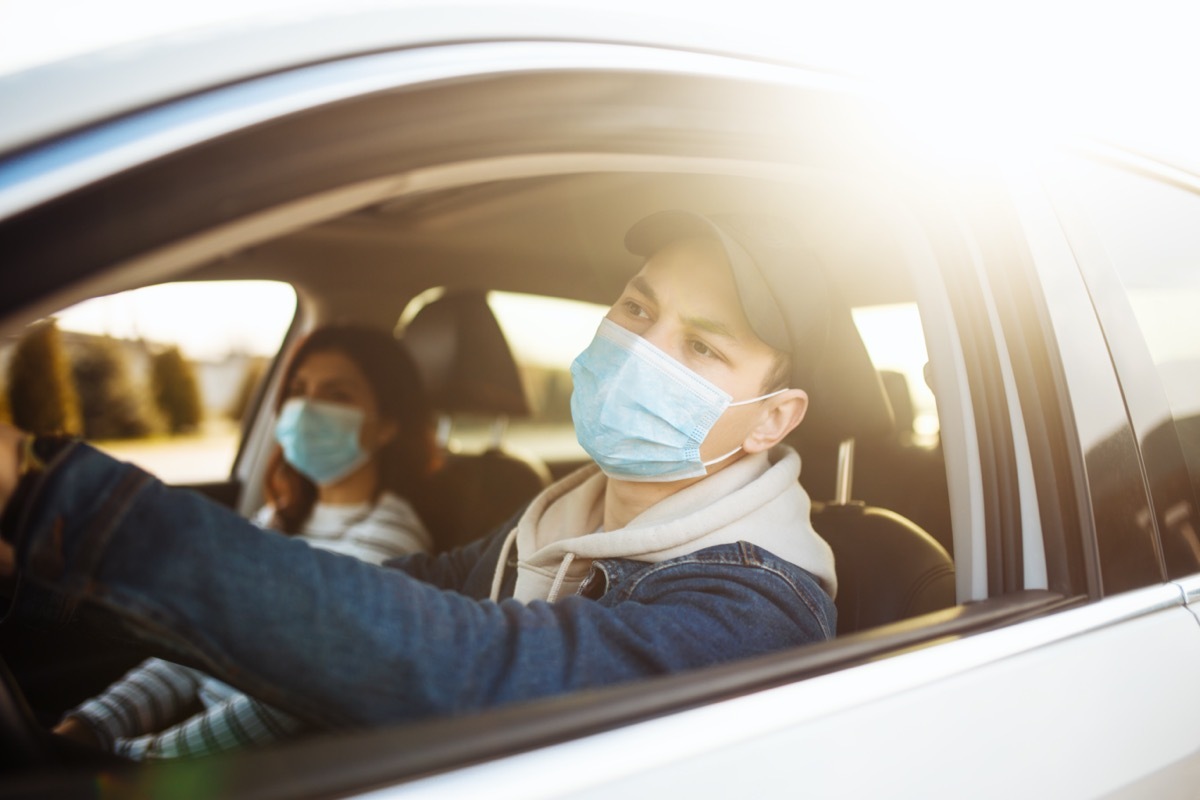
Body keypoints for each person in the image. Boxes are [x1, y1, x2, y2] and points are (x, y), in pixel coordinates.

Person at [0, 210, 838, 738]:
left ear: (771, 419)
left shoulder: (756, 608)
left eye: (700, 345)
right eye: (637, 308)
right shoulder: (551, 522)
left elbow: (470, 669)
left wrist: (61, 502)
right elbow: (370, 601)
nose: (638, 352)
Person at [50, 324, 440, 759]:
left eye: (337, 395)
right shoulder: (280, 517)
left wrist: (138, 758)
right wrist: (90, 726)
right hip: (200, 743)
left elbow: (290, 700)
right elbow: (193, 640)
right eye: (299, 390)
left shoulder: (392, 541)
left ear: (386, 426)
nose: (307, 408)